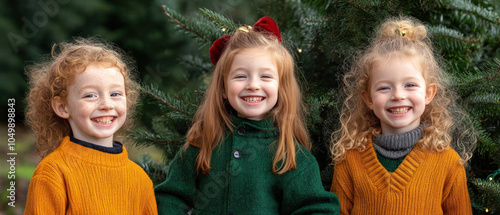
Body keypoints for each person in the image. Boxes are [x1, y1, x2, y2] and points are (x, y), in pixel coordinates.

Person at [155, 16, 340, 214]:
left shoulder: (290, 155)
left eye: (266, 76)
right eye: (241, 76)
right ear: (223, 89)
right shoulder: (203, 143)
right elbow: (171, 198)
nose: (253, 85)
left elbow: (315, 208)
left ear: (281, 87)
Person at [329, 16, 476, 214]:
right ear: (368, 99)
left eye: (410, 85)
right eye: (384, 87)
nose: (398, 95)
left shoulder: (448, 163)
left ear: (428, 93)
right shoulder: (349, 161)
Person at [24, 38, 158, 214]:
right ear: (63, 107)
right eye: (90, 95)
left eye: (115, 93)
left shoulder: (140, 179)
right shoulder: (53, 173)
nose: (106, 104)